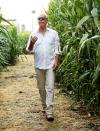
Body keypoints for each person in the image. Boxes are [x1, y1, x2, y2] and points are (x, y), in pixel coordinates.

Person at [26, 12, 61, 121]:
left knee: (50, 87)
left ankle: (49, 112)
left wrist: (56, 60)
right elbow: (29, 49)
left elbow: (57, 48)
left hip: (50, 64)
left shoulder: (53, 33)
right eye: (39, 19)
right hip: (38, 65)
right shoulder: (33, 34)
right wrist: (32, 43)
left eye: (43, 18)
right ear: (38, 21)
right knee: (41, 88)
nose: (41, 20)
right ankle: (45, 107)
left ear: (47, 20)